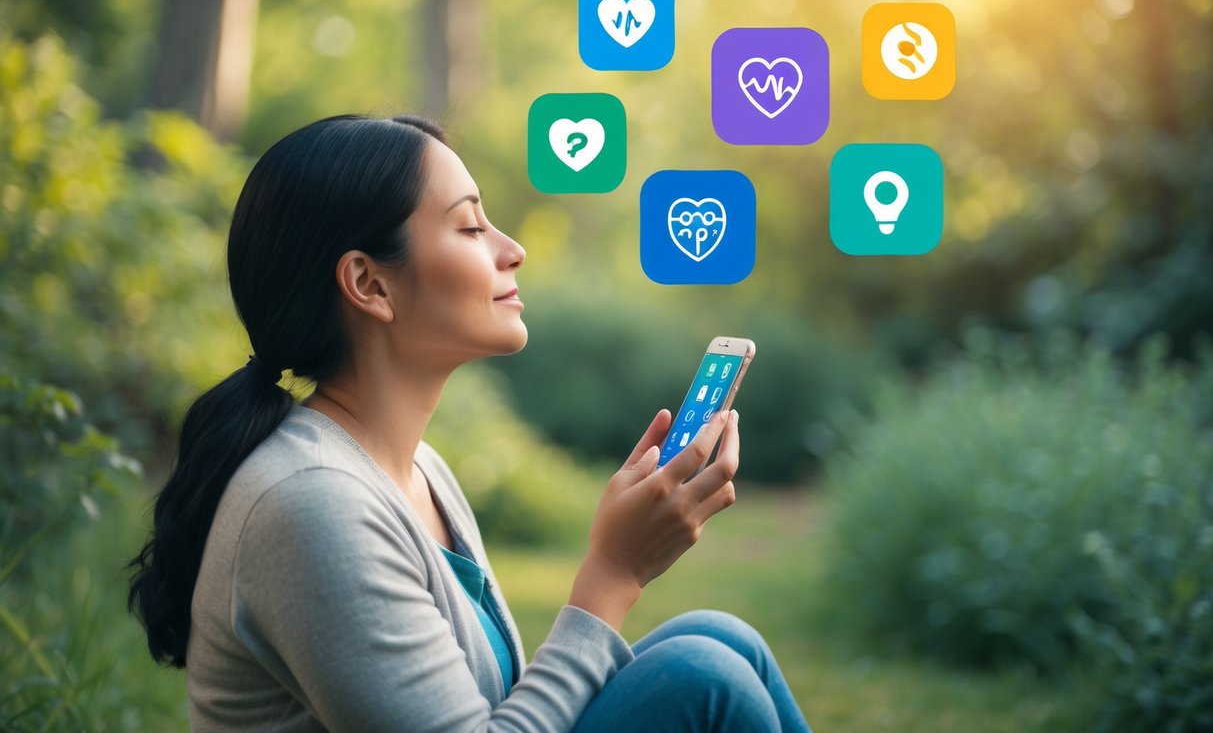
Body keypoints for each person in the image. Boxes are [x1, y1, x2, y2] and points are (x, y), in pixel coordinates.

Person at [126, 114, 812, 732]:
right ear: (369, 285)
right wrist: (611, 573)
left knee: (721, 638)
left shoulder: (419, 472)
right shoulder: (307, 504)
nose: (511, 249)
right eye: (469, 226)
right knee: (703, 677)